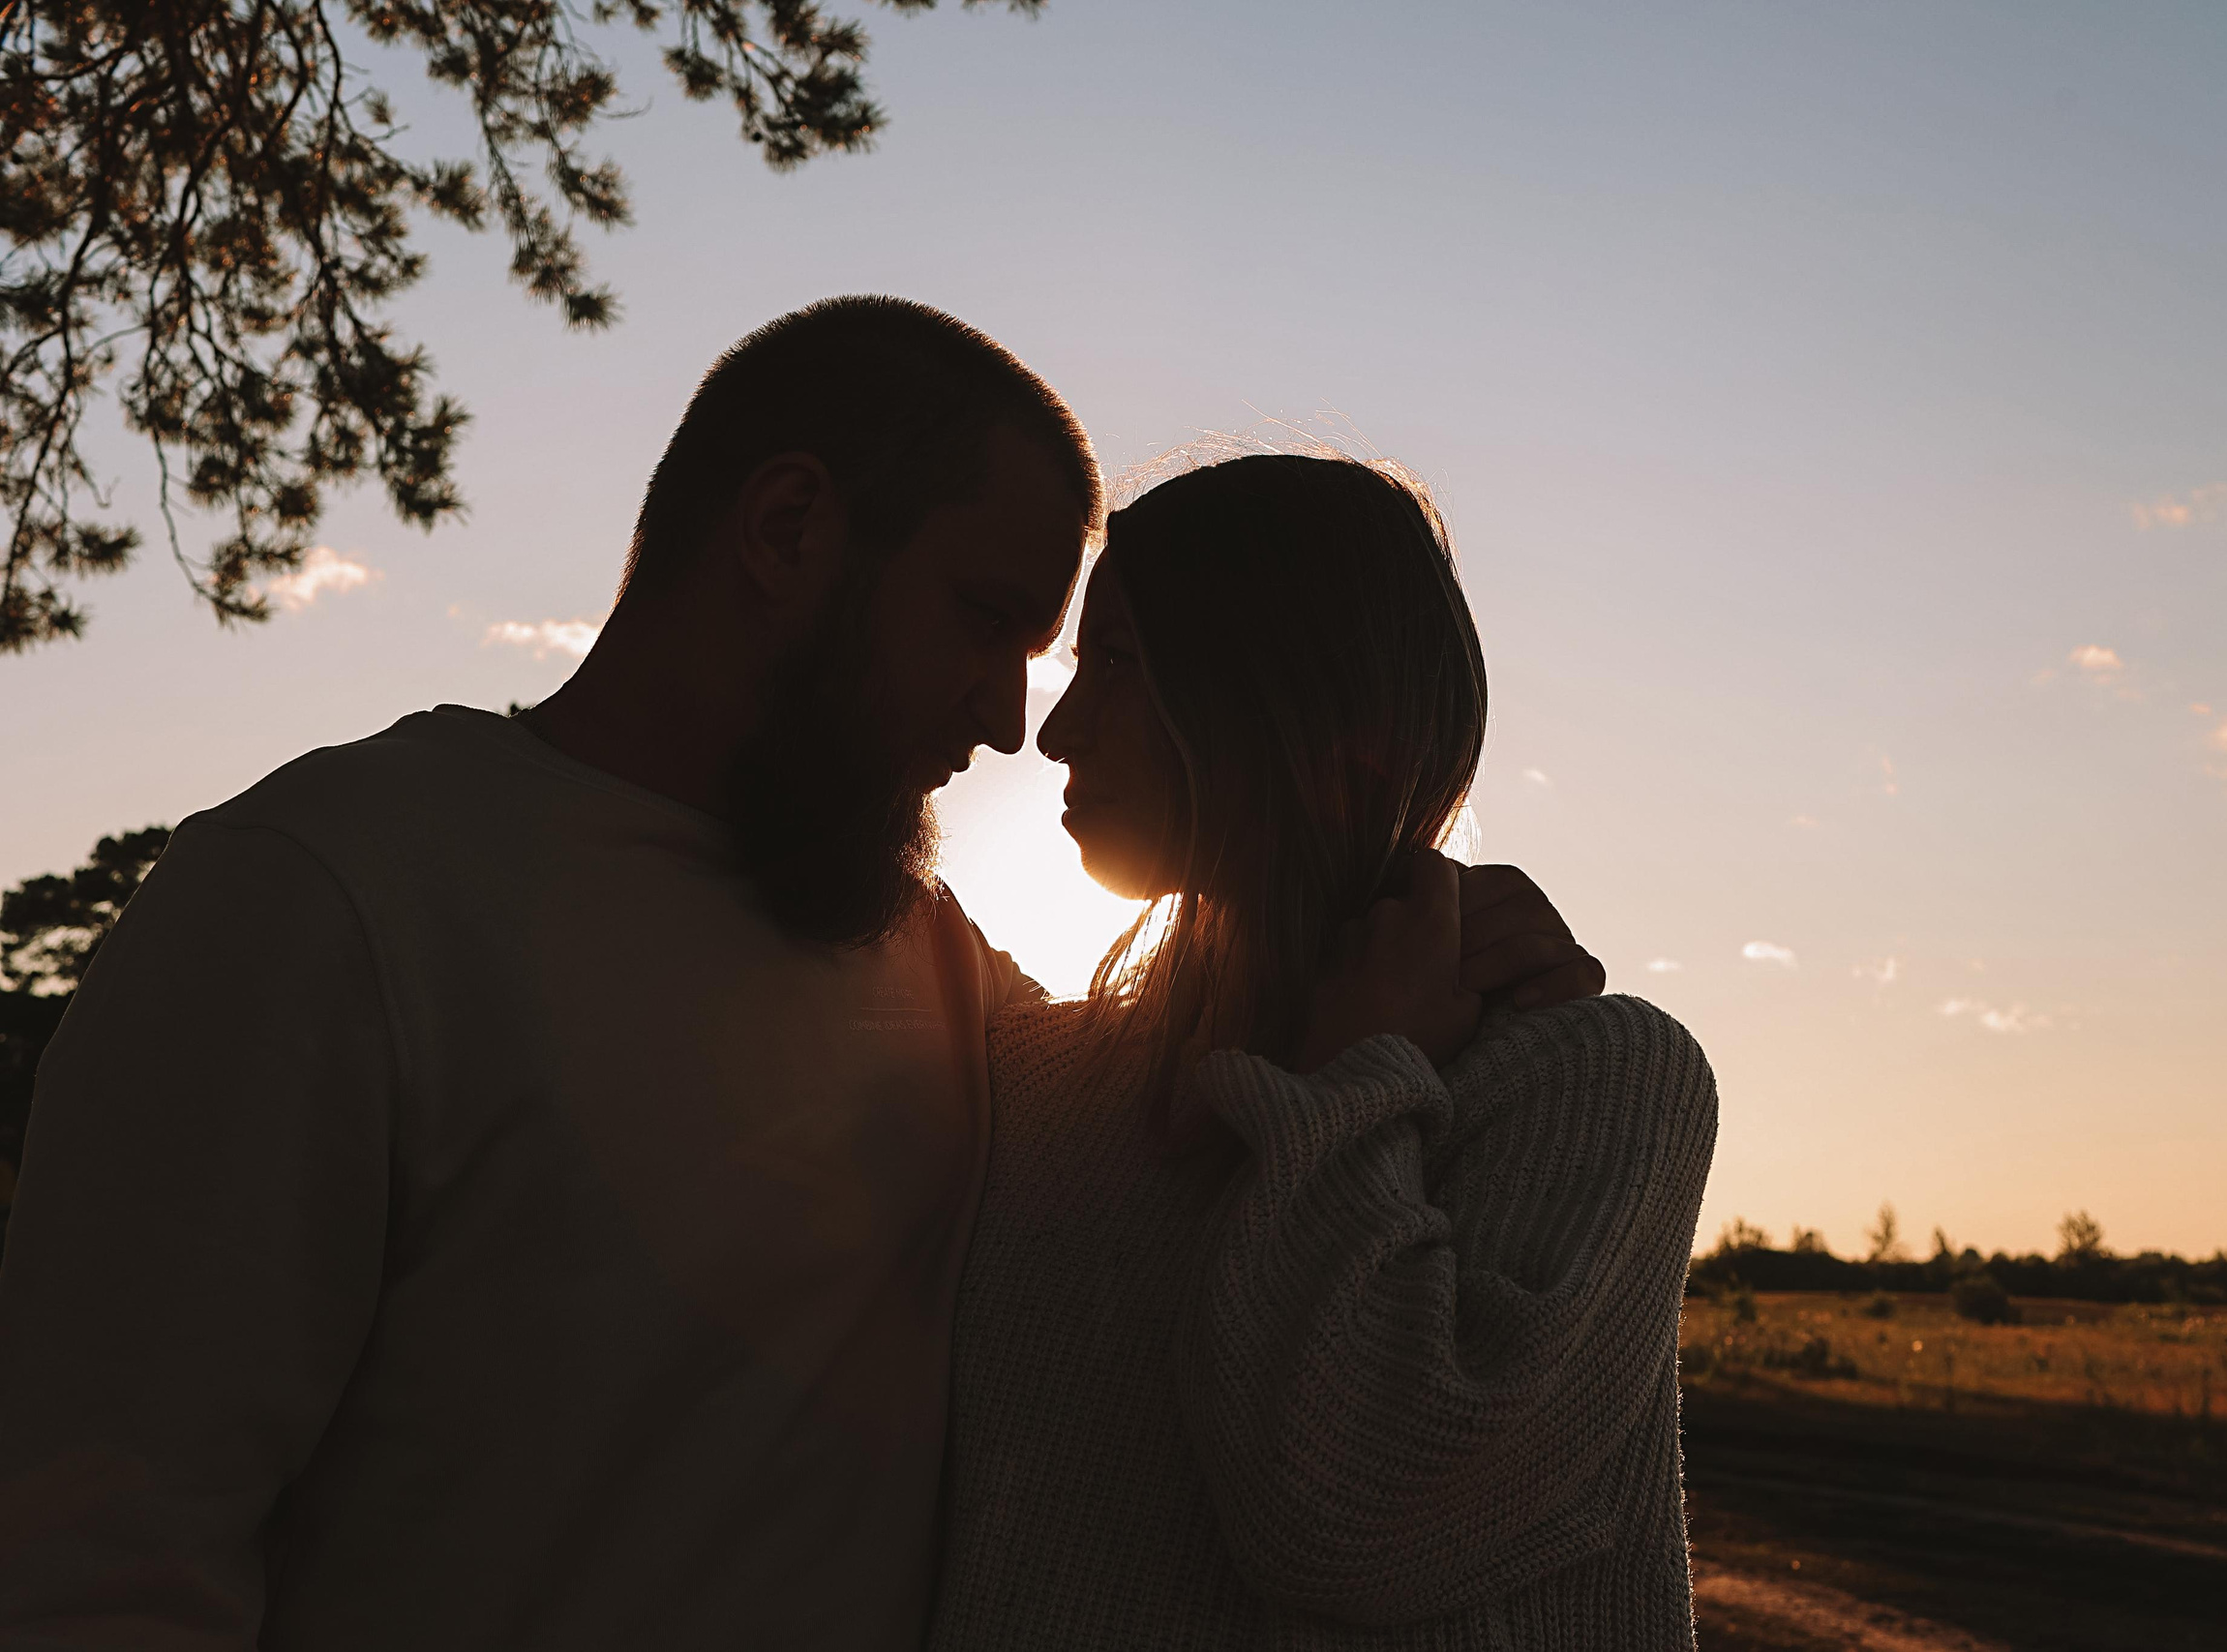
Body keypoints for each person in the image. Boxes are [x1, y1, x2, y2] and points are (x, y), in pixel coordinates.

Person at [0, 299, 1597, 1651]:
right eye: (986, 620)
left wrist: (1432, 921)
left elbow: (1198, 1099)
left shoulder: (942, 977)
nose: (1005, 717)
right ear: (787, 530)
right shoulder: (329, 898)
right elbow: (99, 1549)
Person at [928, 455, 1720, 1650]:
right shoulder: (1033, 1073)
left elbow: (1358, 1517)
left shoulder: (1586, 1082)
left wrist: (1355, 1088)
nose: (1056, 730)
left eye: (1123, 666)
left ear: (1310, 715)